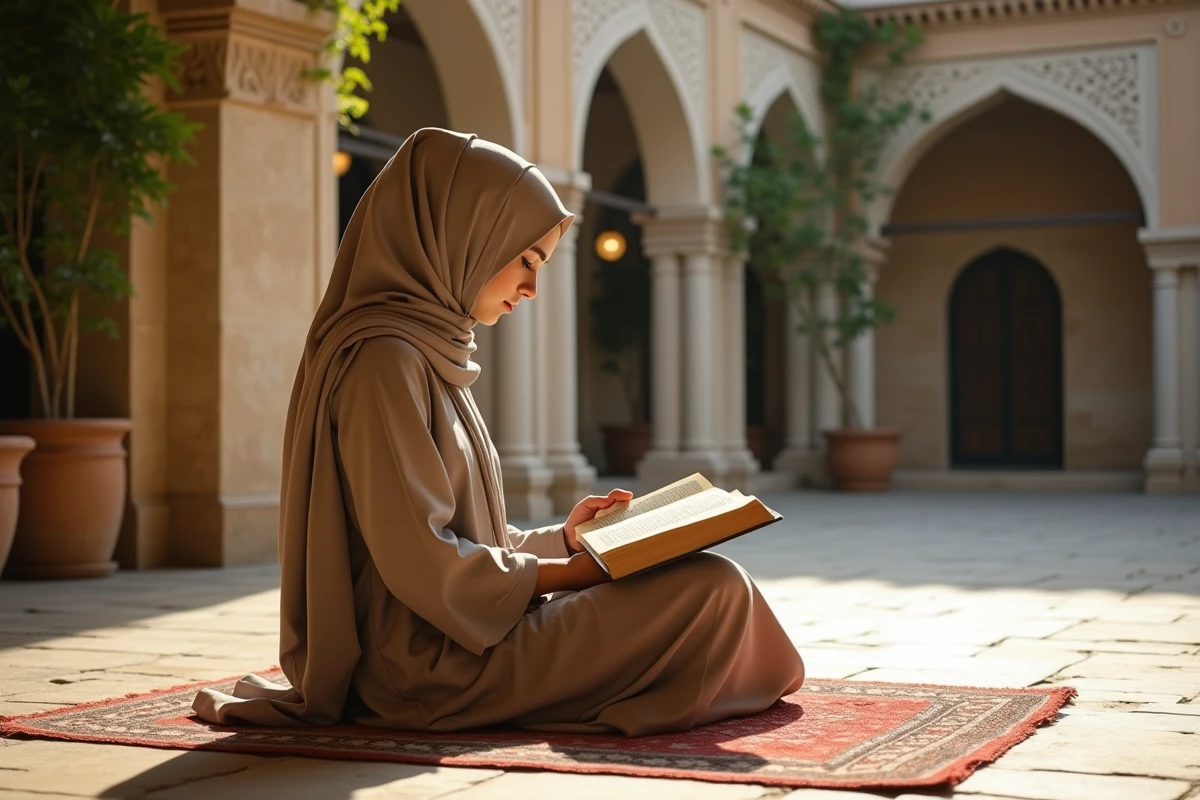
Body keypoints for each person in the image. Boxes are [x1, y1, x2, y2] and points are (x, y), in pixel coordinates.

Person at [193, 127, 804, 735]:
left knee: (710, 585)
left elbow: (459, 533)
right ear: (465, 237)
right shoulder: (385, 360)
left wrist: (562, 541)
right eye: (525, 262)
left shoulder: (426, 350)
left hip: (469, 631)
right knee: (709, 591)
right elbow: (421, 561)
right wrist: (574, 574)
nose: (532, 289)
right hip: (428, 667)